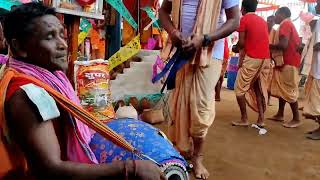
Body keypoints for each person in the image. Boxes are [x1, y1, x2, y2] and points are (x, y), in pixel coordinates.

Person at [0, 3, 164, 179]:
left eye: (62, 35)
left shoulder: (43, 80)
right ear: (20, 48)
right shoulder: (28, 94)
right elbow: (49, 169)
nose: (63, 44)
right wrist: (130, 168)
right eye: (49, 37)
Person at [159, 0, 239, 179]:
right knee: (180, 103)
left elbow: (234, 20)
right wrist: (173, 33)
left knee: (199, 105)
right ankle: (183, 149)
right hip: (182, 51)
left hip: (209, 54)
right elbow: (163, 11)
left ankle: (197, 157)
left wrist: (205, 39)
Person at [232, 0, 270, 127]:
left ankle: (244, 119)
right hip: (265, 58)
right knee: (257, 88)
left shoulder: (244, 20)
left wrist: (235, 48)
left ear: (242, 8)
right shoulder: (262, 21)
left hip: (253, 57)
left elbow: (241, 43)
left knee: (239, 89)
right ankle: (261, 119)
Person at [269, 7, 302, 128]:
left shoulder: (285, 24)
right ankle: (280, 114)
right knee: (282, 89)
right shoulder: (287, 24)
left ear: (282, 14)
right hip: (286, 62)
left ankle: (296, 118)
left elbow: (283, 45)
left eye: (276, 14)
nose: (275, 17)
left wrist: (268, 46)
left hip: (289, 62)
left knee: (289, 89)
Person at [303, 0, 320, 140]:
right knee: (315, 102)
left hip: (319, 70)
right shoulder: (317, 22)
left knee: (317, 103)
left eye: (319, 3)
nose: (316, 5)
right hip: (316, 68)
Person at [267, 15, 275, 106]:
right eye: (268, 21)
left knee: (269, 81)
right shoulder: (263, 31)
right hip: (262, 58)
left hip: (270, 59)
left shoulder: (275, 32)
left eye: (271, 21)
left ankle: (267, 99)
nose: (268, 22)